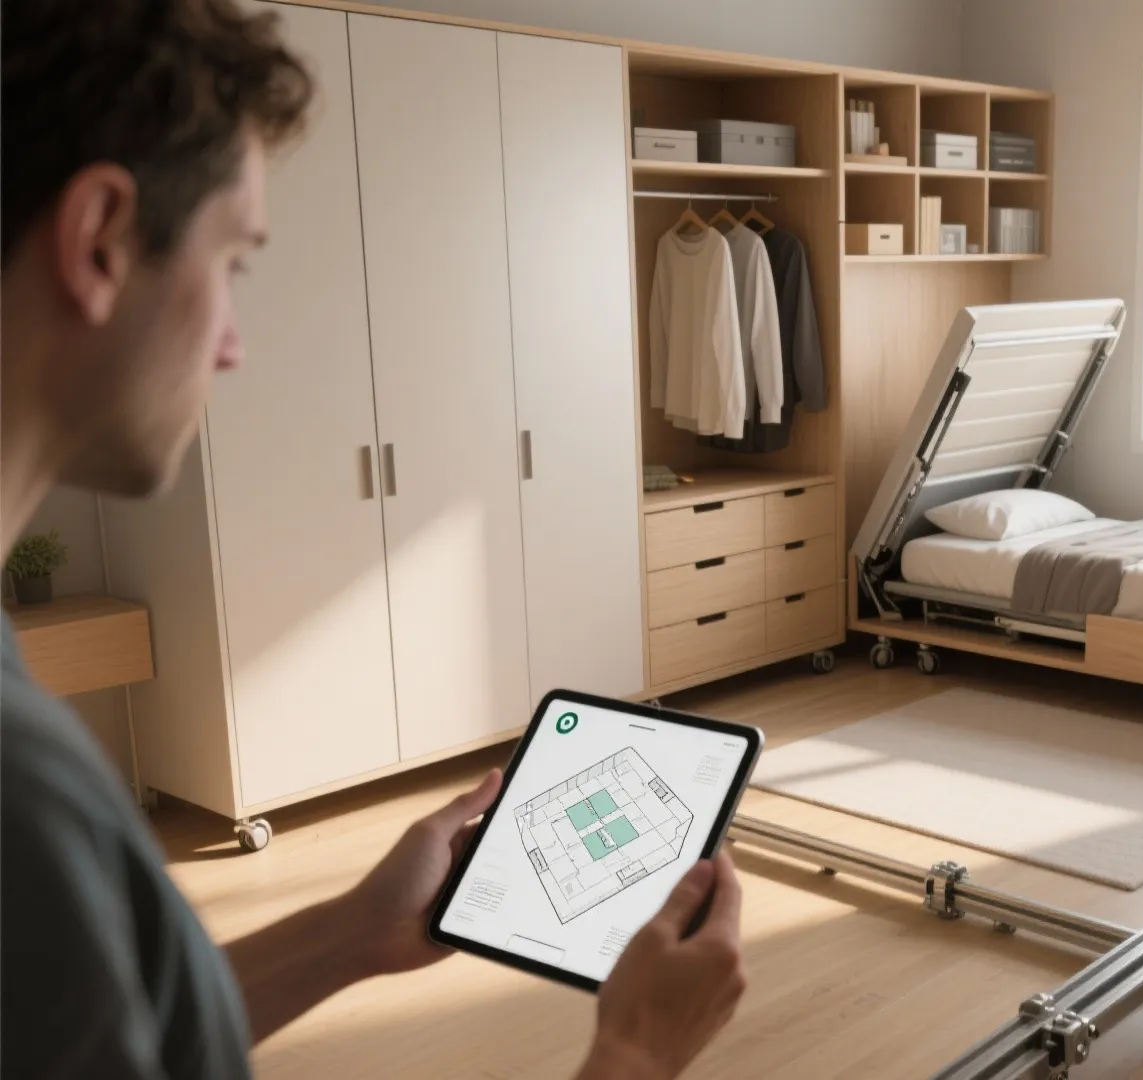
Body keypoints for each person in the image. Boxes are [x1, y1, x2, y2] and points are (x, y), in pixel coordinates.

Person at [0, 2, 746, 1077]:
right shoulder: (25, 800)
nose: (233, 346)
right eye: (236, 263)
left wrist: (343, 935)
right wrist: (631, 1050)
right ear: (101, 240)